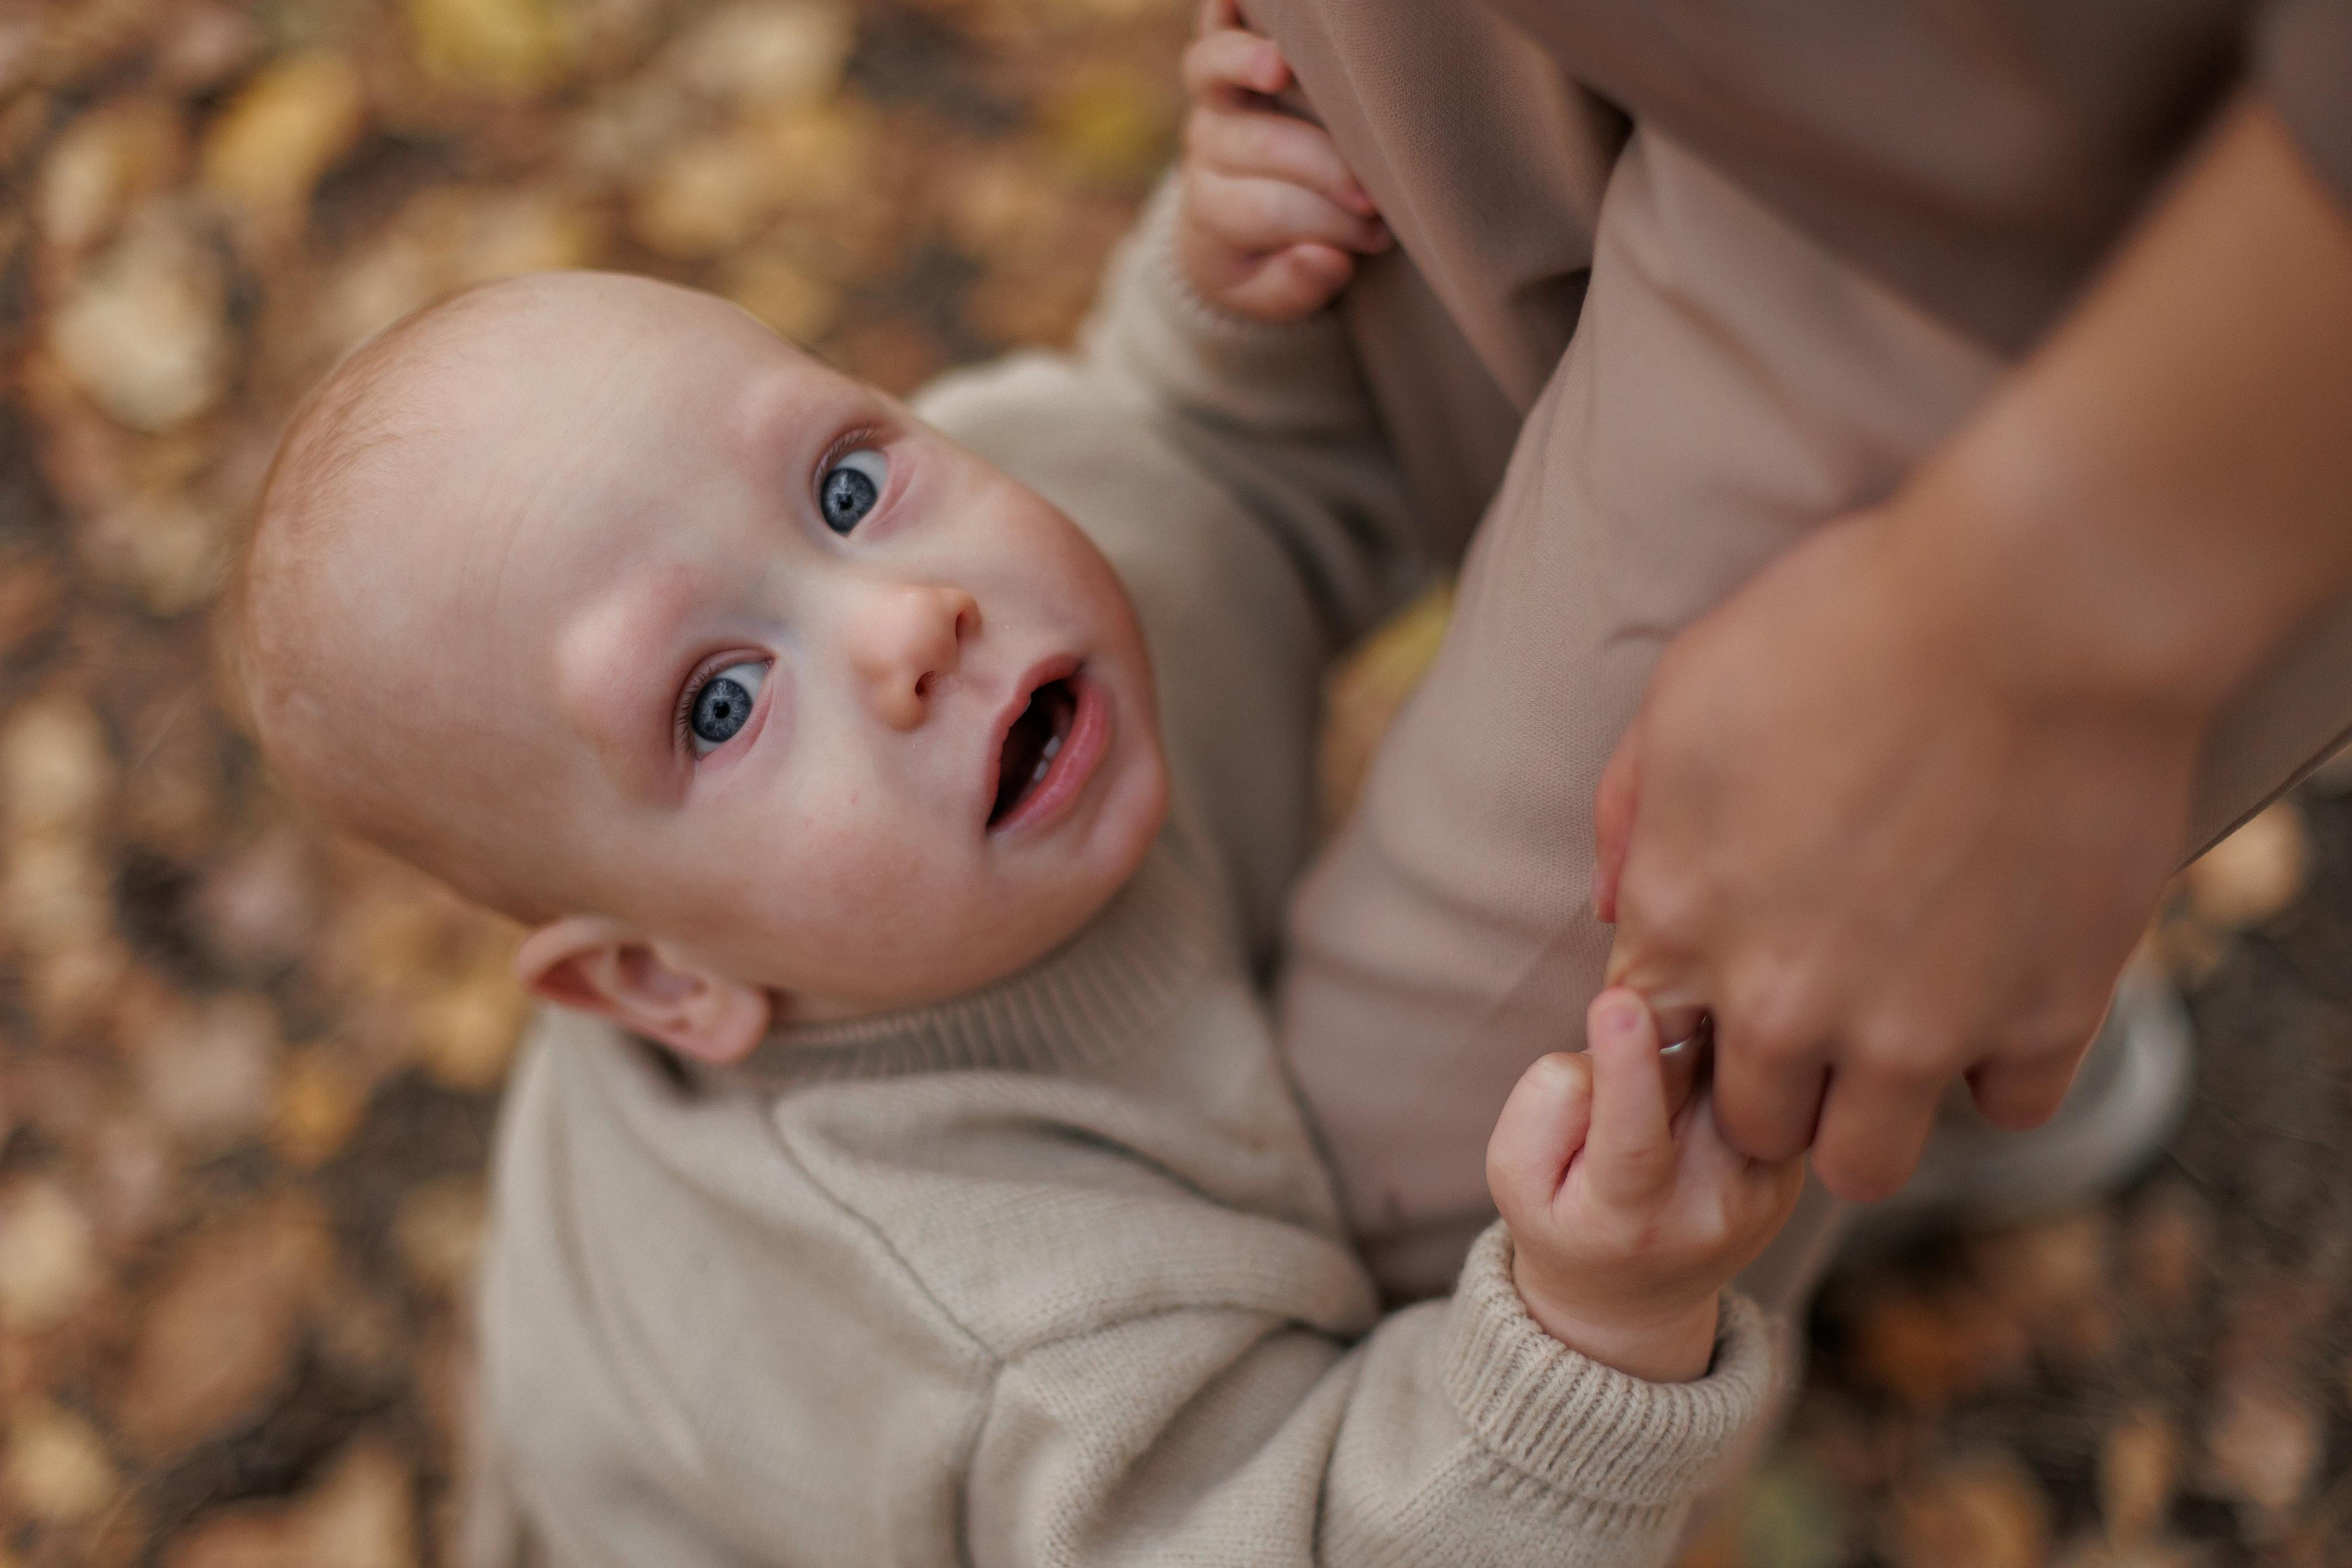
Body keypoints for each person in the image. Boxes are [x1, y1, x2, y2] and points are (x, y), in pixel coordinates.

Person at [232, 45, 1804, 1563]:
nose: (906, 623)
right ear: (665, 980)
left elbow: (1184, 456)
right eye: (721, 703)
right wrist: (1598, 1328)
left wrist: (1237, 296)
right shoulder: (992, 1329)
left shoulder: (986, 569)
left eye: (845, 482)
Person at [1231, 0, 2352, 1303]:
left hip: (2046, 213)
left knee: (1451, 1208)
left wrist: (2050, 622)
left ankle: (1930, 1052)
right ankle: (1955, 1039)